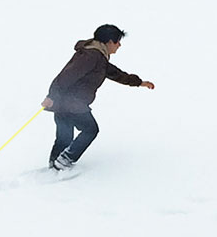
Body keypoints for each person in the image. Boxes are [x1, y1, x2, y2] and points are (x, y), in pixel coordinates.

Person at [41, 24, 155, 170]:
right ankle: (63, 161)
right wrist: (52, 96)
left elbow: (116, 74)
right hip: (73, 103)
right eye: (117, 42)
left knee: (65, 136)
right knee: (90, 129)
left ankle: (55, 164)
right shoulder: (91, 56)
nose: (119, 45)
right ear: (108, 42)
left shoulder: (98, 57)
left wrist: (139, 83)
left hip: (66, 103)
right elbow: (66, 76)